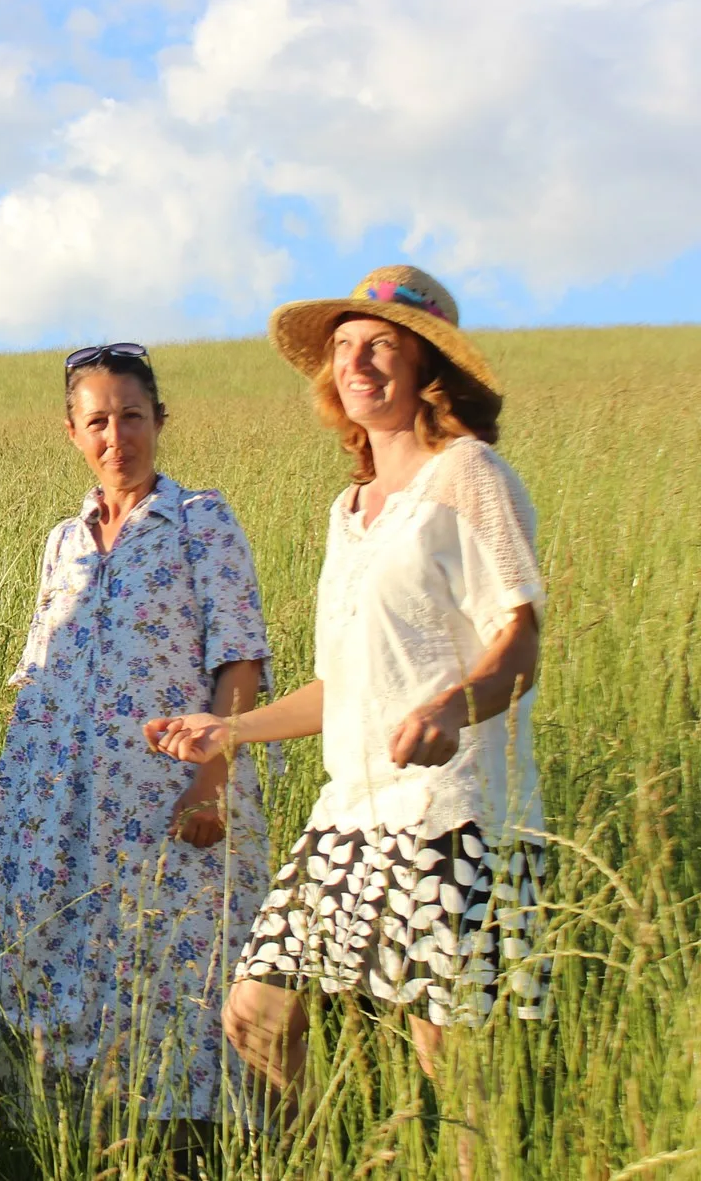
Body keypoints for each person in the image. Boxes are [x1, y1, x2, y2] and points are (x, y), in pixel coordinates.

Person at [148, 265, 549, 1109]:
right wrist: (232, 731)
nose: (357, 362)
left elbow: (520, 641)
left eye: (381, 345)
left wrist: (451, 706)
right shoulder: (351, 508)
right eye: (343, 347)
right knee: (256, 1015)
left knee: (456, 1063)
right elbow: (341, 685)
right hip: (352, 812)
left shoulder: (469, 474)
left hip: (452, 810)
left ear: (427, 365)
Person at [0, 344, 272, 1161]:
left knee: (164, 970)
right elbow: (38, 677)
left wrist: (212, 776)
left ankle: (185, 1148)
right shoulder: (64, 540)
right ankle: (1, 1129)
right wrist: (7, 805)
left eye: (132, 416)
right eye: (98, 420)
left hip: (166, 801)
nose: (116, 435)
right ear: (72, 431)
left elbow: (241, 661)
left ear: (159, 421)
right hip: (52, 801)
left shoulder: (202, 521)